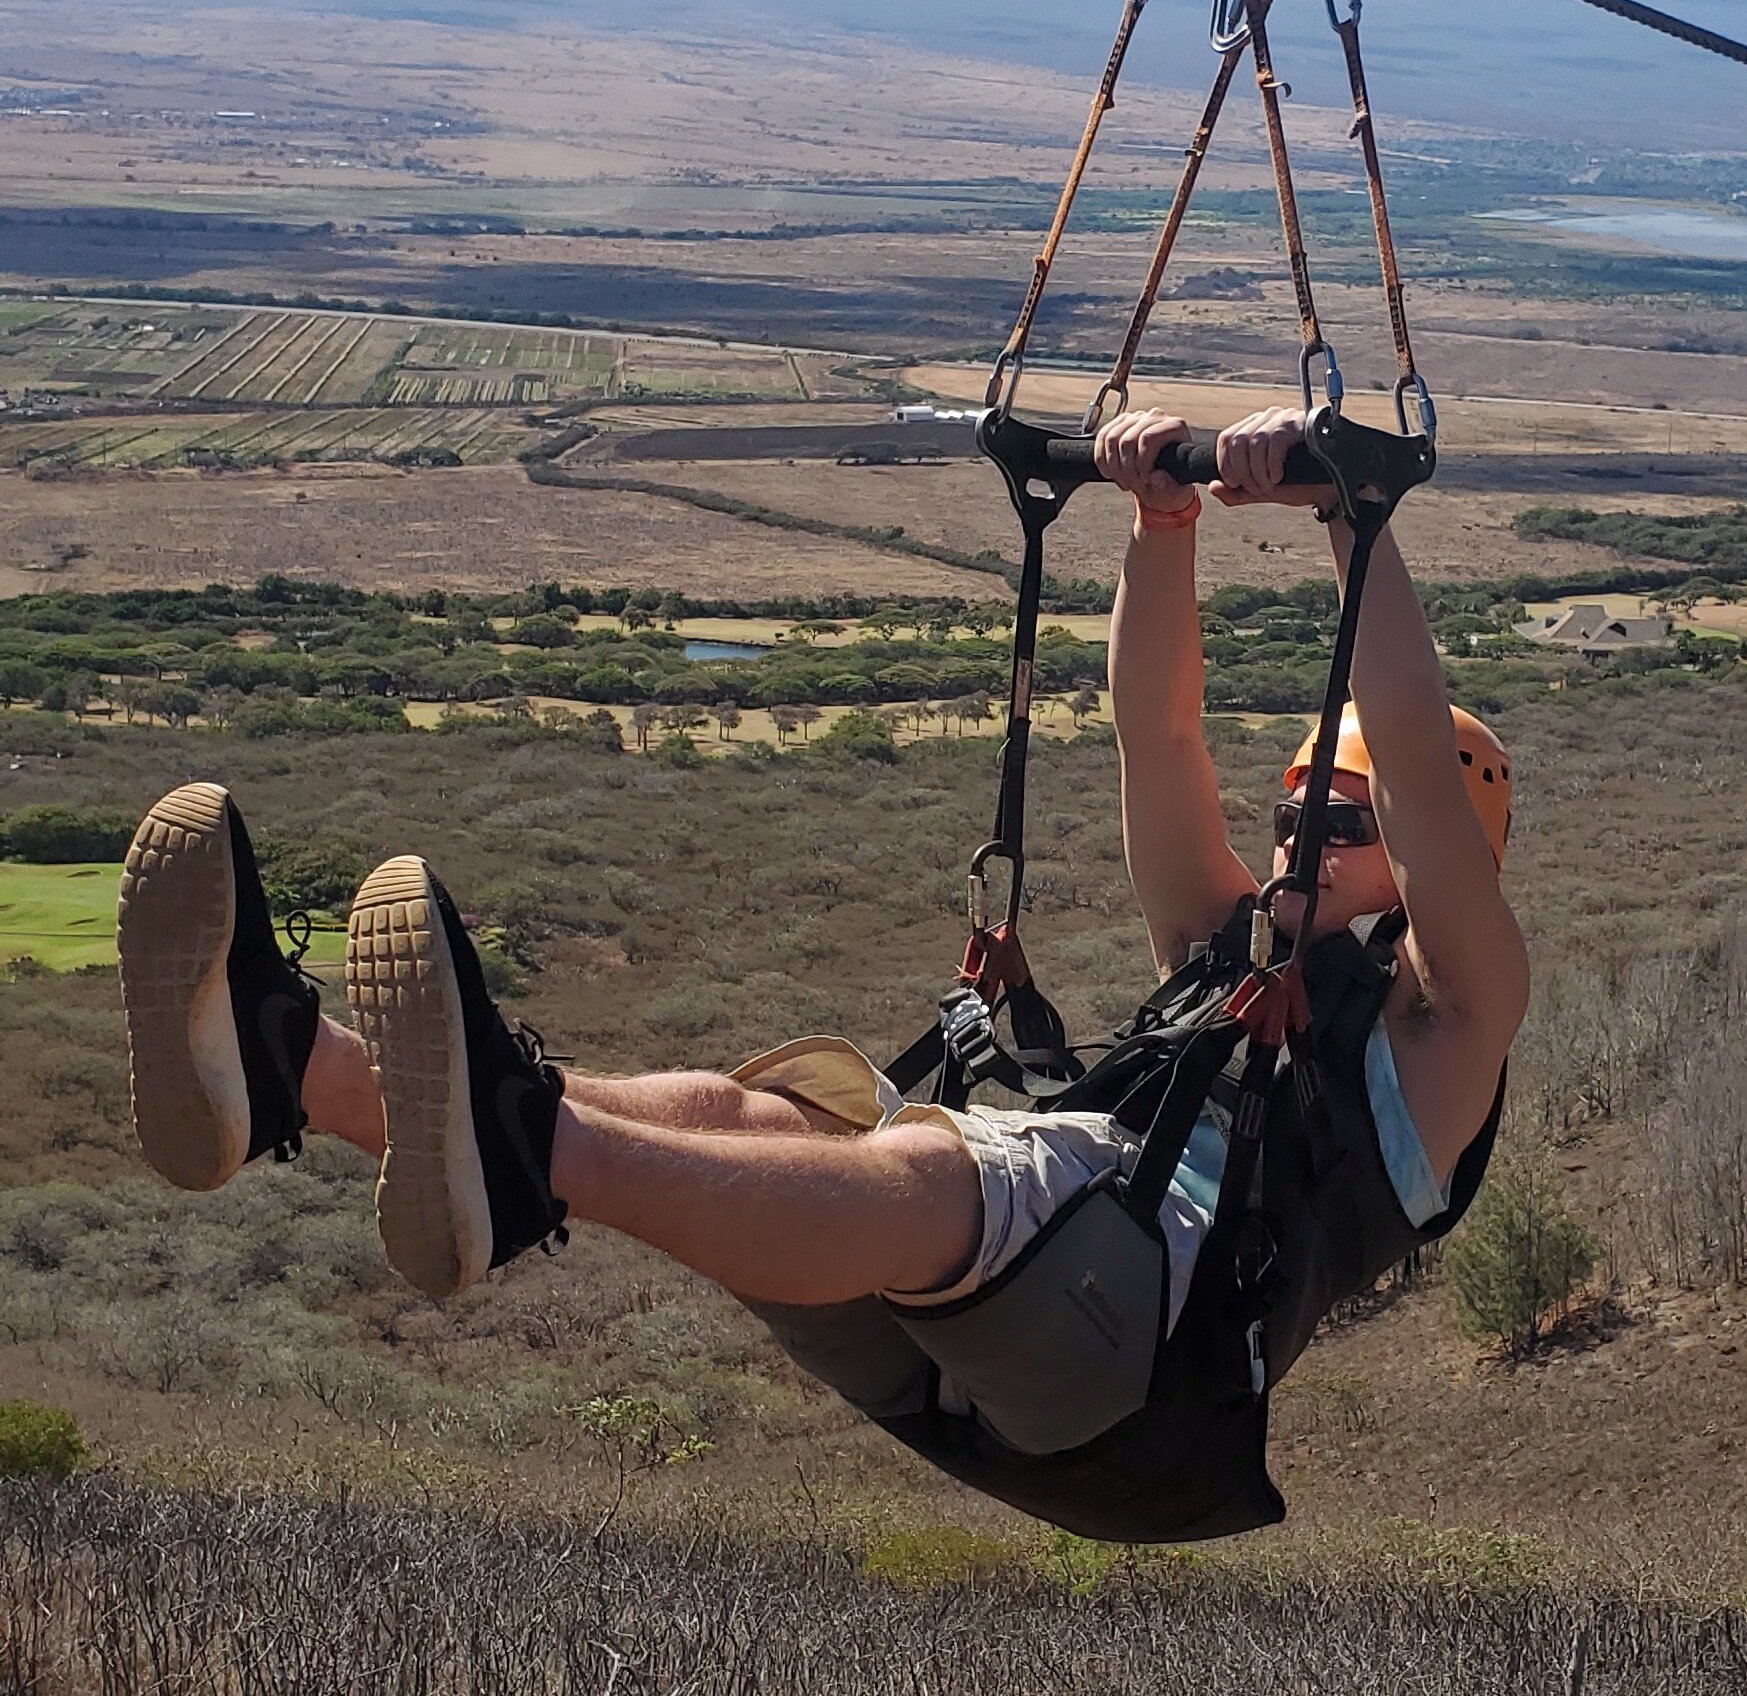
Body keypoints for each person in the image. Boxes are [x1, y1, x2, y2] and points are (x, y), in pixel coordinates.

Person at [116, 405, 1529, 1528]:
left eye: (1330, 822)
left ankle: (506, 1142)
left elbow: (1409, 765)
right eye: (1287, 809)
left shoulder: (1449, 1039)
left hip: (1146, 1369)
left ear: (1426, 860)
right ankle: (287, 1071)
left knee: (933, 1174)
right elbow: (1155, 739)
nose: (1290, 833)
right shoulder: (1222, 953)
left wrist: (1354, 514)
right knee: (755, 1113)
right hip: (1022, 1337)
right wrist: (1162, 527)